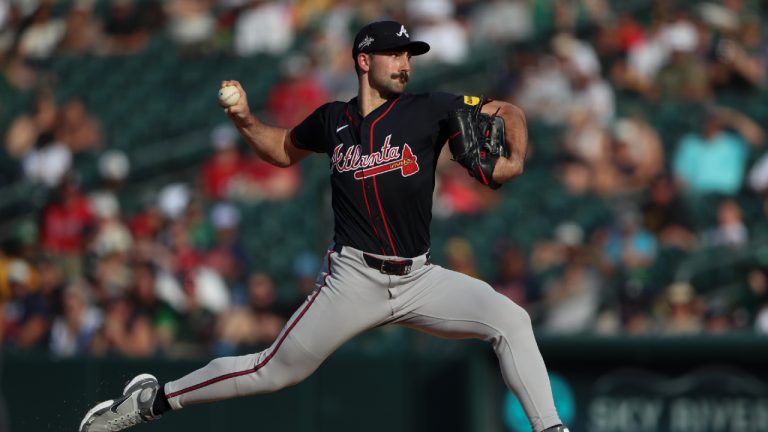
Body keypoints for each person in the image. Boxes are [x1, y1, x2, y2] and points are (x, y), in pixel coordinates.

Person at [79, 20, 569, 432]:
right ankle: (149, 401)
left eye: (409, 54)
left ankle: (550, 428)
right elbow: (283, 150)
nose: (405, 62)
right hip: (353, 279)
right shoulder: (332, 120)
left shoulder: (431, 108)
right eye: (394, 53)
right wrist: (246, 120)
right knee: (271, 372)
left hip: (419, 277)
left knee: (512, 320)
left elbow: (508, 110)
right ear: (363, 60)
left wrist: (515, 158)